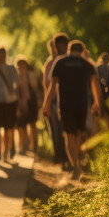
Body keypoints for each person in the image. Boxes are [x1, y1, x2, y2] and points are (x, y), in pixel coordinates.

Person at [43, 41, 102, 181]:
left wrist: (46, 104)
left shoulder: (60, 62)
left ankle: (76, 166)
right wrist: (97, 103)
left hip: (65, 105)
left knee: (69, 135)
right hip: (81, 105)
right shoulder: (87, 64)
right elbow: (95, 85)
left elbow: (52, 87)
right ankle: (79, 163)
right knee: (78, 134)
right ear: (82, 51)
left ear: (69, 49)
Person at [43, 33, 70, 170]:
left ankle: (66, 157)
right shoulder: (49, 64)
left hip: (64, 98)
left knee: (64, 128)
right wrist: (47, 102)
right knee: (56, 129)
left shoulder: (65, 60)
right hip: (53, 100)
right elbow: (46, 84)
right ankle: (59, 156)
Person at [14, 55, 44, 155]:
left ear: (26, 65)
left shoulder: (32, 75)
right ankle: (23, 146)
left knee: (32, 124)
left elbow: (38, 88)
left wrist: (40, 101)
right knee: (21, 126)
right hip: (21, 103)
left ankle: (34, 146)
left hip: (32, 102)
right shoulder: (16, 77)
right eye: (19, 65)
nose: (21, 66)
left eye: (23, 64)